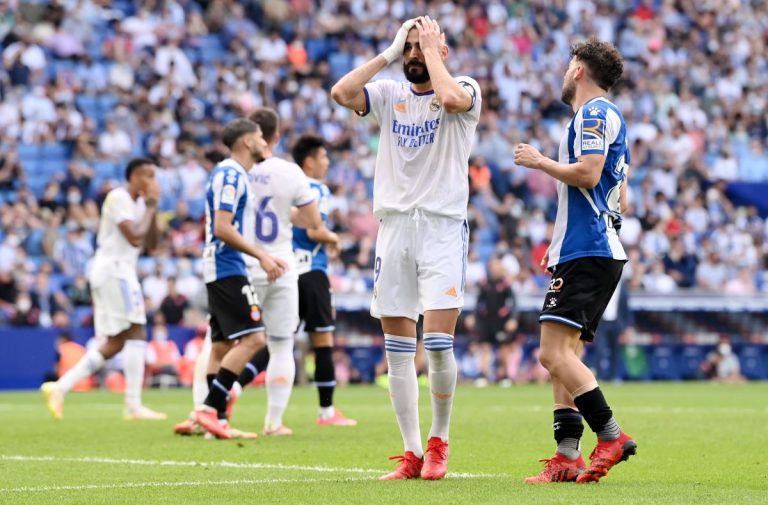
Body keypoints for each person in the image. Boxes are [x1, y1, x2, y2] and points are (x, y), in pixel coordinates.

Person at [331, 15, 481, 480]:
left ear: (442, 50)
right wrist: (389, 53)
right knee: (397, 350)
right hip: (394, 227)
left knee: (437, 344)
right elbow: (341, 93)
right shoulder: (391, 92)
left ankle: (440, 441)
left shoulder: (465, 88)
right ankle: (412, 451)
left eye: (422, 47)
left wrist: (432, 53)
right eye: (409, 47)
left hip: (440, 227)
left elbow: (452, 97)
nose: (414, 54)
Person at [514, 37, 636, 484]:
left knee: (551, 352)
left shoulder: (594, 112)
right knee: (565, 354)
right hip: (587, 246)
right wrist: (558, 241)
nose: (565, 73)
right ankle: (567, 454)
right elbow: (614, 190)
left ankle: (611, 434)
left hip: (590, 248)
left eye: (569, 65)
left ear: (580, 70)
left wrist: (540, 161)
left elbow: (587, 172)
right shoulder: (604, 116)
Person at [41, 157, 166, 421]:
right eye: (147, 176)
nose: (152, 182)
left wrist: (152, 208)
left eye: (154, 177)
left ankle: (59, 388)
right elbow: (134, 236)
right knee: (138, 330)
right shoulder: (118, 197)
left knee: (116, 342)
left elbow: (152, 244)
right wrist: (151, 207)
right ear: (132, 177)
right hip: (113, 269)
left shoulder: (142, 204)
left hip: (120, 270)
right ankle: (133, 405)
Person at [193, 118, 288, 440]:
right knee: (254, 339)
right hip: (226, 265)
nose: (265, 143)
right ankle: (208, 408)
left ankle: (216, 422)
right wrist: (261, 255)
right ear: (248, 142)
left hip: (219, 265)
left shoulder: (230, 173)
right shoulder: (232, 173)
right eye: (261, 137)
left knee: (220, 346)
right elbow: (222, 227)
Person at [243, 108, 323, 436]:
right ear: (276, 136)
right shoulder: (289, 172)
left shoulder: (234, 171)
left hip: (243, 264)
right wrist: (285, 212)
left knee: (220, 342)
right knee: (280, 344)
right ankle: (273, 421)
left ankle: (209, 413)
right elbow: (313, 220)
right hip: (282, 263)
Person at [291, 134, 358, 426]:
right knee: (322, 340)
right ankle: (327, 412)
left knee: (273, 342)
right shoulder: (316, 189)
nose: (327, 162)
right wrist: (334, 238)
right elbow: (313, 230)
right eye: (323, 157)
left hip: (286, 270)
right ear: (310, 162)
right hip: (312, 271)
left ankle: (227, 395)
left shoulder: (289, 188)